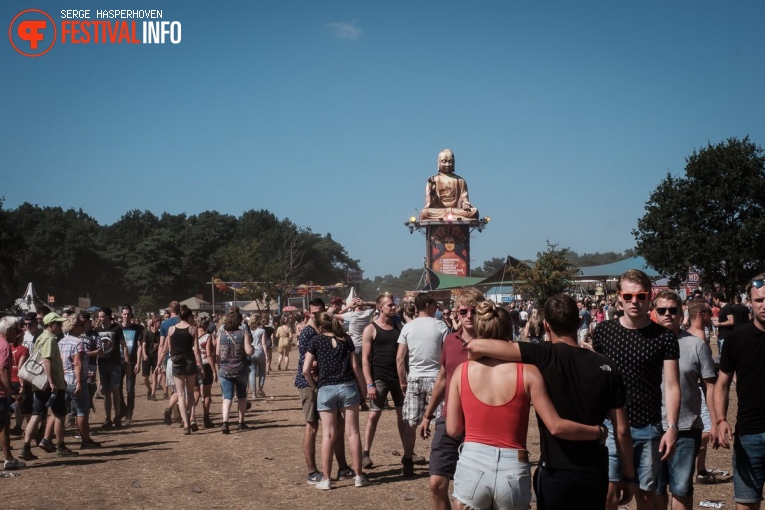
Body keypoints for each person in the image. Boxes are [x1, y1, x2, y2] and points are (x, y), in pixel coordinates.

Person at [466, 294, 635, 510]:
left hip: (556, 469)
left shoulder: (543, 355)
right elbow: (622, 431)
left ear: (546, 326)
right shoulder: (607, 366)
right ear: (579, 322)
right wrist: (629, 476)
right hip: (594, 469)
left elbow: (476, 346)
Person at [592, 269, 680, 510]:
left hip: (647, 426)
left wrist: (671, 427)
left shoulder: (664, 337)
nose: (634, 302)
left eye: (640, 296)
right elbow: (597, 378)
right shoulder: (603, 331)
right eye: (628, 296)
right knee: (608, 494)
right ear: (619, 297)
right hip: (609, 425)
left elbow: (672, 384)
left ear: (649, 297)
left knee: (645, 495)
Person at [416, 287, 485, 510]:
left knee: (468, 496)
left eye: (474, 311)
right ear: (456, 313)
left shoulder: (493, 343)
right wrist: (428, 415)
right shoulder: (451, 341)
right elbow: (443, 378)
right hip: (448, 417)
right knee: (436, 484)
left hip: (479, 423)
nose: (469, 316)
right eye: (464, 311)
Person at [652, 291, 717, 510]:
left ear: (681, 313)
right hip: (652, 427)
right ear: (655, 313)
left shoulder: (696, 345)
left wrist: (716, 421)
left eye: (673, 310)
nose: (668, 314)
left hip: (686, 428)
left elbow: (710, 386)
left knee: (681, 488)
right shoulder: (644, 343)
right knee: (656, 489)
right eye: (662, 310)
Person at [714, 274, 765, 510]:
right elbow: (722, 384)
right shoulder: (736, 339)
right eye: (759, 300)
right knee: (746, 503)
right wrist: (721, 420)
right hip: (749, 433)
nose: (764, 305)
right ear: (750, 302)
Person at [303, 312, 370, 490]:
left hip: (326, 388)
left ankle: (326, 479)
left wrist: (314, 386)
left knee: (328, 434)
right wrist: (364, 391)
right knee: (353, 433)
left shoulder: (315, 341)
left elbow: (305, 369)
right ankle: (358, 476)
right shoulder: (345, 339)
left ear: (319, 326)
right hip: (348, 387)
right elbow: (356, 367)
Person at [397, 292, 450, 476]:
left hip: (415, 377)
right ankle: (438, 460)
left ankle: (408, 459)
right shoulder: (441, 325)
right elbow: (447, 354)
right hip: (437, 377)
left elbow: (399, 358)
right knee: (439, 421)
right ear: (428, 305)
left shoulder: (408, 327)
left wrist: (402, 381)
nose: (437, 307)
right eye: (435, 304)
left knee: (410, 422)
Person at [19, 313, 79, 459]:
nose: (60, 326)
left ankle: (26, 448)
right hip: (50, 383)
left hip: (39, 382)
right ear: (51, 325)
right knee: (60, 415)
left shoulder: (40, 337)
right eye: (58, 323)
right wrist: (52, 382)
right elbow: (47, 361)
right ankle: (60, 446)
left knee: (36, 415)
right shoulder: (50, 339)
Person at [361, 293, 407, 469]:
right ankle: (366, 453)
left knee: (402, 416)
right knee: (373, 415)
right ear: (380, 308)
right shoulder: (370, 329)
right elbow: (365, 359)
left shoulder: (398, 325)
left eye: (393, 304)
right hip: (379, 377)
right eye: (389, 305)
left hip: (397, 377)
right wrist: (369, 383)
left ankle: (408, 452)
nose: (393, 307)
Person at [157, 305, 204, 434]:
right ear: (188, 316)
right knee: (191, 393)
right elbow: (197, 351)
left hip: (177, 363)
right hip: (189, 362)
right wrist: (200, 366)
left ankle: (186, 425)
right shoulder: (192, 330)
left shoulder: (171, 330)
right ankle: (191, 418)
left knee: (181, 395)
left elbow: (170, 350)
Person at [58, 316, 100, 448]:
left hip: (63, 380)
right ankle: (85, 440)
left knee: (59, 413)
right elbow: (77, 364)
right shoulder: (78, 342)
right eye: (81, 325)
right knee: (82, 412)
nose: (83, 327)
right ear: (74, 327)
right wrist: (80, 382)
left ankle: (52, 440)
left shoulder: (61, 342)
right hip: (75, 381)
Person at [216, 311, 254, 434]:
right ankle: (241, 422)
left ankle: (225, 422)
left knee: (227, 397)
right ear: (239, 321)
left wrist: (219, 366)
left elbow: (217, 354)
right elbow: (249, 351)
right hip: (240, 369)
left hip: (225, 369)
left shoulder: (220, 335)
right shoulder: (243, 334)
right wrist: (252, 348)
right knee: (242, 396)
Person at [419, 149, 479, 222]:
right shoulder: (434, 180)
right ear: (438, 163)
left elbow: (464, 197)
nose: (447, 164)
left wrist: (465, 204)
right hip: (440, 211)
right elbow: (429, 204)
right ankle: (451, 216)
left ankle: (451, 215)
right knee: (424, 213)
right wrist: (432, 191)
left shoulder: (460, 181)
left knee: (474, 211)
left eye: (450, 162)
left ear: (454, 163)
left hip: (456, 210)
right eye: (444, 161)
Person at [94, 307, 130, 429]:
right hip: (103, 363)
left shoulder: (117, 329)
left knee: (115, 390)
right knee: (106, 392)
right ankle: (108, 418)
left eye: (102, 316)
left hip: (115, 363)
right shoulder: (97, 330)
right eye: (99, 316)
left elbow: (124, 346)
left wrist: (127, 362)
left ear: (109, 316)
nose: (100, 318)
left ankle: (117, 416)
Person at [0, 316, 26, 470]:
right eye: (15, 329)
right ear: (8, 330)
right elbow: (2, 370)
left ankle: (9, 458)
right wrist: (12, 391)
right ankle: (9, 459)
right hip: (1, 394)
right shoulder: (4, 346)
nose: (17, 333)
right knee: (3, 426)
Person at [119, 305, 143, 423]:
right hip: (118, 362)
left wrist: (138, 362)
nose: (126, 316)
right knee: (117, 388)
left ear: (131, 315)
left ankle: (129, 412)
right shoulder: (117, 328)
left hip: (132, 362)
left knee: (130, 389)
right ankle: (122, 408)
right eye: (124, 314)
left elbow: (139, 347)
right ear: (121, 315)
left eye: (128, 314)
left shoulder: (137, 329)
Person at [196, 315, 216, 429]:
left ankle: (189, 416)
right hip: (205, 364)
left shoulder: (192, 334)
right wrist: (214, 370)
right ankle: (206, 418)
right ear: (207, 324)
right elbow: (208, 354)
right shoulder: (207, 336)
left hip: (194, 365)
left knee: (195, 393)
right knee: (207, 393)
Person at [249, 316, 269, 398]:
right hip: (260, 351)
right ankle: (260, 389)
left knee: (252, 373)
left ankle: (253, 393)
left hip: (251, 352)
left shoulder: (248, 330)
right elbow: (264, 343)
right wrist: (266, 355)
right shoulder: (262, 331)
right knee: (262, 371)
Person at [141, 317, 161, 400]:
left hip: (155, 357)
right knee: (145, 378)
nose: (160, 324)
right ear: (154, 323)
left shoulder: (160, 334)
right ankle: (149, 390)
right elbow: (144, 345)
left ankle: (153, 394)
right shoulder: (147, 333)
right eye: (159, 323)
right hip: (147, 357)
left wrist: (160, 360)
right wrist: (144, 354)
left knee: (154, 376)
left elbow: (161, 347)